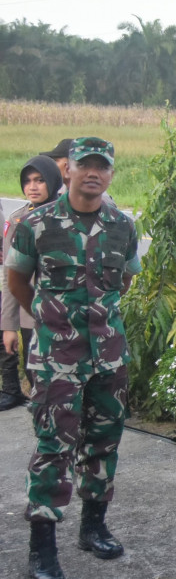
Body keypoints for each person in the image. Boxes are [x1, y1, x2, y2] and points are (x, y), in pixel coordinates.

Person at [6, 137, 140, 579]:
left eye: (102, 166)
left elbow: (123, 279)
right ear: (68, 170)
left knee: (104, 441)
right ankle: (42, 545)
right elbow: (18, 281)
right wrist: (52, 323)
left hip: (109, 355)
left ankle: (93, 527)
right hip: (56, 360)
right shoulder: (36, 224)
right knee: (53, 448)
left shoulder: (123, 225)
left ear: (110, 173)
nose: (93, 173)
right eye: (85, 165)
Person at [1, 156, 63, 411]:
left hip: (67, 316)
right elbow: (10, 278)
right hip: (31, 316)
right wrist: (8, 326)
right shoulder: (18, 221)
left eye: (39, 180)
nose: (32, 187)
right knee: (36, 378)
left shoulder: (69, 214)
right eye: (27, 181)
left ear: (53, 181)